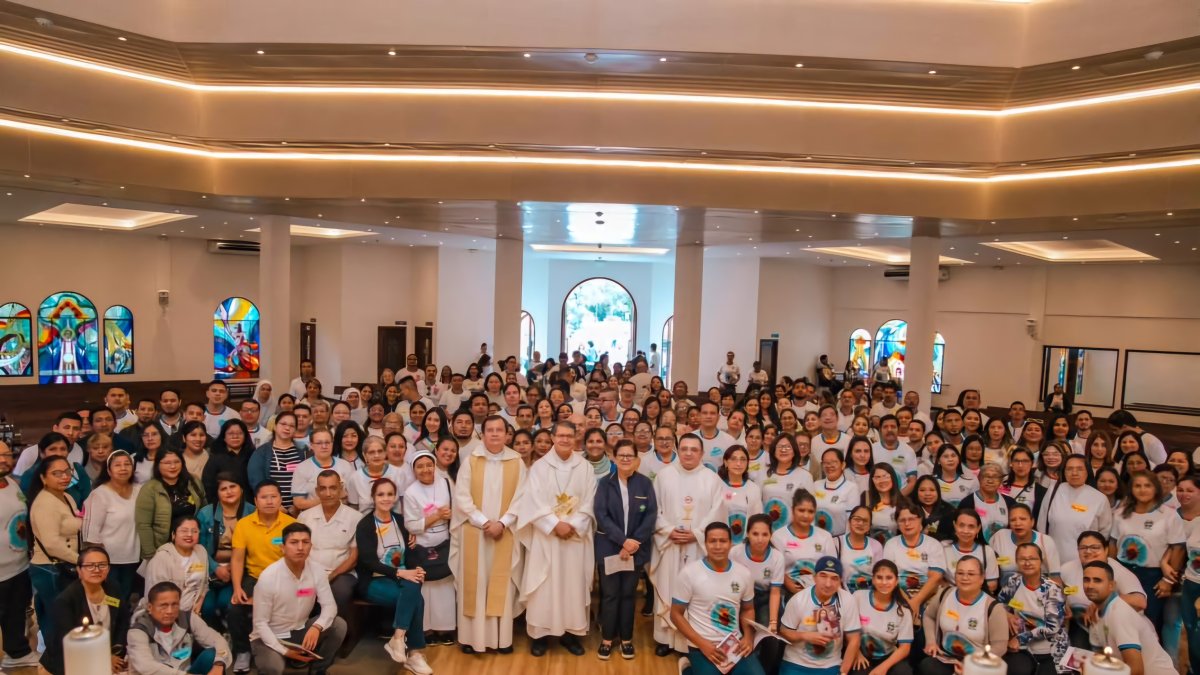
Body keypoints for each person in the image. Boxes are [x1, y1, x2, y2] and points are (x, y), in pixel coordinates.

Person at [515, 420, 597, 656]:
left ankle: (571, 634)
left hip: (574, 537)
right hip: (547, 537)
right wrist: (553, 525)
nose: (564, 440)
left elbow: (591, 502)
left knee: (573, 585)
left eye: (569, 436)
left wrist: (573, 525)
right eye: (560, 436)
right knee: (544, 585)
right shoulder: (539, 468)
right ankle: (540, 636)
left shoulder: (585, 468)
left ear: (575, 439)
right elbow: (531, 501)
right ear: (552, 437)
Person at [452, 415, 528, 654]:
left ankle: (501, 639)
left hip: (504, 533)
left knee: (500, 585)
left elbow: (522, 498)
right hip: (475, 533)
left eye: (499, 430)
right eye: (490, 430)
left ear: (507, 435)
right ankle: (471, 639)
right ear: (482, 434)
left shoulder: (517, 462)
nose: (495, 434)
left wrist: (503, 523)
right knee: (476, 583)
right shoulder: (471, 460)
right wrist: (485, 522)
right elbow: (462, 497)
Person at [651, 434, 726, 655]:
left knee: (695, 592)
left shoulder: (711, 479)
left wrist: (697, 534)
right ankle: (665, 639)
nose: (688, 453)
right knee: (668, 587)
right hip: (670, 544)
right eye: (684, 449)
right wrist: (667, 530)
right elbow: (655, 510)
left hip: (698, 548)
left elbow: (718, 512)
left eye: (694, 449)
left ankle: (689, 642)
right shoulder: (664, 476)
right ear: (678, 450)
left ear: (702, 453)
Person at [355, 478, 433, 674]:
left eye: (390, 494)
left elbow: (411, 552)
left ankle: (398, 638)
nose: (386, 498)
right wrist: (403, 572)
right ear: (373, 497)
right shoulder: (365, 525)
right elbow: (368, 561)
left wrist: (416, 568)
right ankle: (414, 653)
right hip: (374, 580)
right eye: (381, 494)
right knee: (416, 599)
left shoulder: (400, 520)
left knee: (413, 586)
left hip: (401, 577)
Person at [250, 523, 348, 675]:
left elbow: (330, 607)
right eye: (294, 542)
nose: (300, 547)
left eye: (305, 542)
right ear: (282, 548)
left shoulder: (317, 570)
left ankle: (318, 670)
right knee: (273, 667)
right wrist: (285, 651)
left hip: (300, 630)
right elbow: (260, 624)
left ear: (311, 546)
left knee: (338, 625)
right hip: (269, 636)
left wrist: (317, 627)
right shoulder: (268, 577)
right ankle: (284, 657)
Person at [593, 438, 656, 660]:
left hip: (635, 550)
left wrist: (633, 543)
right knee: (610, 595)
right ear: (614, 458)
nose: (626, 459)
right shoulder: (604, 483)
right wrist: (623, 542)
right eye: (622, 456)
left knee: (628, 595)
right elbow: (601, 516)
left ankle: (627, 639)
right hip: (609, 548)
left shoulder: (645, 484)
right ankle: (608, 639)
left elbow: (650, 515)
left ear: (637, 460)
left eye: (630, 456)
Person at [671, 522, 762, 675]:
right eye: (713, 541)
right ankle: (689, 670)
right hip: (701, 645)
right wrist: (702, 645)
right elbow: (675, 614)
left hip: (735, 644)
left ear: (731, 543)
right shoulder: (689, 573)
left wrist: (748, 636)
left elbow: (748, 609)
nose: (718, 546)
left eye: (723, 541)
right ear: (705, 544)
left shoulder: (744, 574)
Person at [228, 481, 296, 672]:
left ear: (280, 499)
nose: (269, 501)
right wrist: (237, 588)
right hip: (255, 577)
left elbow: (297, 560)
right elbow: (238, 560)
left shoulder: (292, 524)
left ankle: (289, 647)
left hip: (285, 577)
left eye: (274, 496)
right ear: (256, 501)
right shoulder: (244, 524)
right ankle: (243, 651)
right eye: (264, 497)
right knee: (234, 607)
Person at [41, 546, 132, 675]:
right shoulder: (66, 600)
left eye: (102, 565)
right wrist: (104, 658)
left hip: (109, 657)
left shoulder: (112, 588)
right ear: (79, 570)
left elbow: (123, 621)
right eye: (90, 566)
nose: (96, 570)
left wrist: (115, 652)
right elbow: (68, 641)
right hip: (71, 662)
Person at [1110, 470, 1184, 626]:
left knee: (1149, 622)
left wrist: (1168, 581)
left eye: (1147, 486)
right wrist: (1112, 572)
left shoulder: (1169, 515)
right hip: (1124, 571)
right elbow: (1112, 544)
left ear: (1155, 488)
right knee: (1120, 618)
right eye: (1137, 486)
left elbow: (1178, 549)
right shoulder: (1120, 513)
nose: (1142, 490)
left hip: (1153, 576)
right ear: (1131, 489)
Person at [1082, 560, 1179, 675]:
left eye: (1097, 580)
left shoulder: (1119, 613)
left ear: (1111, 585)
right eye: (1086, 580)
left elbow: (1136, 670)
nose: (1090, 585)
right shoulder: (1097, 614)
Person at [917, 556, 1007, 675]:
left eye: (971, 574)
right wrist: (931, 641)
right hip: (946, 658)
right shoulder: (944, 594)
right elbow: (929, 616)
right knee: (927, 666)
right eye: (960, 573)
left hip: (978, 665)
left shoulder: (993, 608)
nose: (965, 578)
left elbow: (1000, 647)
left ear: (981, 578)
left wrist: (971, 666)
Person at [402, 451, 457, 645]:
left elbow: (457, 508)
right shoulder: (410, 492)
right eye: (420, 466)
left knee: (445, 587)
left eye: (429, 465)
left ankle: (446, 629)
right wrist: (437, 516)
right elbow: (411, 525)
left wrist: (450, 515)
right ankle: (426, 630)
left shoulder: (446, 482)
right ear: (414, 470)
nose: (425, 469)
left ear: (434, 465)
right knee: (426, 590)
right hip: (422, 545)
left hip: (445, 542)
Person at [28, 455, 83, 649]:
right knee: (56, 616)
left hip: (64, 564)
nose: (64, 477)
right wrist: (81, 561)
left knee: (62, 614)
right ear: (43, 478)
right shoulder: (44, 503)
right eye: (56, 473)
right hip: (49, 568)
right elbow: (51, 543)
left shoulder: (66, 496)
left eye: (67, 472)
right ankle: (55, 660)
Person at [1059, 530, 1146, 649]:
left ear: (1106, 550)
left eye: (1095, 547)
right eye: (1083, 547)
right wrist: (1062, 602)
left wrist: (1105, 602)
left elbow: (1140, 602)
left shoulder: (1119, 572)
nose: (1088, 551)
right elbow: (1060, 590)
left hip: (1117, 630)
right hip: (1081, 626)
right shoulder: (1067, 569)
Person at [776, 555, 861, 675]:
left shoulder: (848, 600)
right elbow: (784, 632)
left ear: (840, 581)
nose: (828, 583)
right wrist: (805, 636)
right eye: (823, 576)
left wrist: (843, 672)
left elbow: (854, 639)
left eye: (834, 578)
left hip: (830, 666)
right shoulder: (798, 600)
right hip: (796, 664)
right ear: (814, 577)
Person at [128, 581, 232, 675]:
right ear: (150, 608)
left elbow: (217, 639)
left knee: (211, 656)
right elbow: (146, 666)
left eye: (174, 604)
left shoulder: (188, 618)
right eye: (163, 606)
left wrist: (219, 664)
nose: (170, 611)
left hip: (186, 671)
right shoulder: (138, 630)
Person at [996, 542, 1067, 674]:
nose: (1027, 563)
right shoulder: (1014, 581)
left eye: (1032, 558)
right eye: (1022, 559)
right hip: (1022, 649)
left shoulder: (1053, 590)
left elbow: (1053, 628)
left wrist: (1020, 638)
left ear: (1041, 561)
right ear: (1017, 562)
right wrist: (1007, 614)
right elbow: (998, 604)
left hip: (1050, 650)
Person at [296, 470, 361, 609]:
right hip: (310, 574)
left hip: (342, 574)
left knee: (340, 592)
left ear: (341, 489)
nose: (328, 493)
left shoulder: (355, 518)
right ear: (317, 491)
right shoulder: (305, 517)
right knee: (301, 594)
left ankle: (337, 630)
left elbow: (354, 558)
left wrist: (331, 575)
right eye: (323, 489)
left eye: (333, 488)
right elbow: (298, 551)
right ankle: (307, 629)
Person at [0, 440, 39, 671]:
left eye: (6, 455)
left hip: (18, 565)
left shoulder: (13, 484)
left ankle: (17, 652)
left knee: (15, 612)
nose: (3, 460)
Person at [196, 473, 253, 631]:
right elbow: (198, 547)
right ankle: (214, 637)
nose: (229, 491)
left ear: (241, 489)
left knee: (226, 602)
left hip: (240, 572)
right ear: (217, 493)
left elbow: (256, 547)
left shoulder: (252, 512)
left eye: (233, 487)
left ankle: (232, 637)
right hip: (208, 572)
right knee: (207, 606)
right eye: (224, 489)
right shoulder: (205, 514)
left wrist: (231, 568)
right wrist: (216, 568)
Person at [82, 448, 141, 597]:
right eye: (117, 465)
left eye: (127, 464)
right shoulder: (100, 495)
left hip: (133, 557)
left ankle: (123, 620)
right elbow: (91, 533)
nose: (123, 468)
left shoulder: (139, 490)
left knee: (125, 597)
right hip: (109, 560)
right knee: (110, 598)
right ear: (108, 470)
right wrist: (99, 561)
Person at [1036, 454, 1112, 564]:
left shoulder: (1099, 498)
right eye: (1069, 469)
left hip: (1086, 562)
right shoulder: (1054, 490)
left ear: (1087, 471)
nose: (1074, 473)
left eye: (1080, 469)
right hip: (1053, 560)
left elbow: (1104, 533)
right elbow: (1041, 525)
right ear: (1064, 471)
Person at [137, 449, 205, 560]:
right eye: (167, 463)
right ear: (158, 465)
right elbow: (143, 525)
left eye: (176, 462)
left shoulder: (193, 482)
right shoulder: (150, 489)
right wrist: (150, 554)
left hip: (192, 545)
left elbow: (204, 511)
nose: (173, 466)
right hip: (163, 548)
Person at [850, 560, 913, 675]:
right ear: (873, 580)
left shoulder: (903, 610)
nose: (884, 582)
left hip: (887, 657)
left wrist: (884, 667)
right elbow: (847, 629)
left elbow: (905, 648)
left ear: (896, 581)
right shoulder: (858, 597)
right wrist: (856, 653)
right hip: (860, 654)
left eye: (889, 578)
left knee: (904, 672)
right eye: (879, 577)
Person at [143, 515, 210, 615]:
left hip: (193, 612)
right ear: (173, 535)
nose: (189, 535)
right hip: (166, 614)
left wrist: (199, 603)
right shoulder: (162, 557)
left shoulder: (201, 551)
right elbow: (155, 595)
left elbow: (204, 583)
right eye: (184, 531)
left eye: (194, 531)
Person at [943, 509, 999, 594]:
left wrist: (968, 591)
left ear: (978, 528)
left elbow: (992, 584)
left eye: (971, 526)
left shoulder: (987, 551)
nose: (966, 531)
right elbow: (937, 578)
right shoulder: (943, 548)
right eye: (961, 525)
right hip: (950, 596)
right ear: (955, 525)